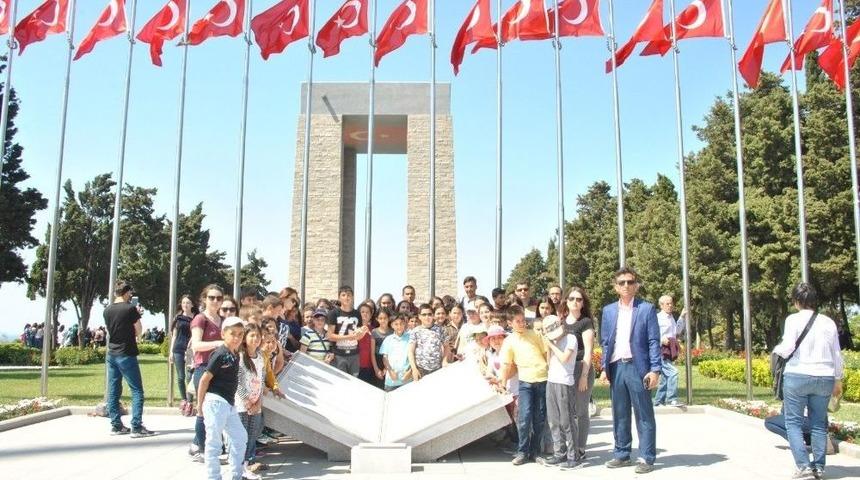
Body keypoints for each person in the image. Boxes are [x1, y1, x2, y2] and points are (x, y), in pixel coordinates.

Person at [772, 282, 844, 480]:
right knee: (819, 423)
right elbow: (836, 353)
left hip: (797, 375)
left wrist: (775, 351)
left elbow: (787, 347)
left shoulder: (792, 320)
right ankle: (819, 467)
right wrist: (838, 378)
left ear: (796, 301)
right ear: (814, 301)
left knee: (793, 422)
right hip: (825, 376)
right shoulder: (828, 322)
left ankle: (803, 467)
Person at [599, 267, 661, 474]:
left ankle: (646, 457)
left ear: (636, 285)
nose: (626, 285)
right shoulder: (608, 311)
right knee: (620, 413)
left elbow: (653, 341)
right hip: (616, 367)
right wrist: (603, 368)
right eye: (622, 282)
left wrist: (655, 370)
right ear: (616, 287)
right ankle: (622, 454)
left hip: (638, 367)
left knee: (644, 413)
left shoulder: (647, 309)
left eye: (630, 282)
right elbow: (606, 342)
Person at [196, 316, 254, 480]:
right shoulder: (220, 353)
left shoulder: (235, 354)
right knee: (214, 443)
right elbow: (204, 379)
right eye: (233, 334)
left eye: (240, 334)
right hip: (216, 402)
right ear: (223, 334)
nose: (237, 338)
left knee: (240, 438)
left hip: (229, 404)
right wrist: (199, 406)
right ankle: (214, 477)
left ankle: (236, 474)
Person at [499, 305, 548, 466]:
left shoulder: (535, 334)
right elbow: (506, 365)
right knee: (524, 417)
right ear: (510, 323)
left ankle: (535, 452)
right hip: (525, 382)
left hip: (542, 379)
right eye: (518, 321)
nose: (522, 324)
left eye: (523, 320)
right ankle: (522, 451)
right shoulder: (509, 341)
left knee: (539, 418)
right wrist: (502, 384)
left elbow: (546, 353)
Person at [104, 280, 154, 437]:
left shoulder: (107, 310)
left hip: (112, 353)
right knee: (137, 390)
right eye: (130, 293)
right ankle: (136, 426)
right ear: (126, 293)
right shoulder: (130, 308)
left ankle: (116, 425)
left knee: (113, 390)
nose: (130, 295)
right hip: (127, 353)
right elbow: (139, 330)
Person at [188, 284, 226, 462]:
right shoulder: (200, 319)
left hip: (220, 369)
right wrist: (218, 343)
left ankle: (198, 443)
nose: (215, 301)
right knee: (203, 408)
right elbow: (196, 345)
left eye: (219, 298)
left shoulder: (223, 320)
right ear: (204, 299)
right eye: (212, 297)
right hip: (203, 367)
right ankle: (200, 447)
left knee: (217, 409)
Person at [539, 314, 580, 468]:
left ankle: (573, 456)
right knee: (554, 421)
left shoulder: (571, 338)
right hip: (552, 380)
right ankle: (559, 453)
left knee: (567, 421)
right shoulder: (554, 340)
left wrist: (551, 345)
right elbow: (549, 362)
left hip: (564, 382)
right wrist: (549, 345)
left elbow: (565, 358)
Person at [560, 286, 596, 460]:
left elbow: (589, 351)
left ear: (583, 303)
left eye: (579, 299)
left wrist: (583, 376)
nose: (575, 302)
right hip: (563, 371)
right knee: (566, 411)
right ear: (566, 301)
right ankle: (569, 446)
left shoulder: (586, 322)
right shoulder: (561, 322)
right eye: (572, 298)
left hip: (582, 368)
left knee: (581, 411)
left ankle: (580, 447)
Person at [236, 323, 265, 480]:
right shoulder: (240, 357)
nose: (255, 339)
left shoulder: (260, 357)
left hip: (256, 404)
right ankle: (238, 467)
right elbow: (238, 381)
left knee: (252, 436)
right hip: (242, 404)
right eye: (252, 335)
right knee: (241, 436)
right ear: (245, 338)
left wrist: (258, 401)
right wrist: (246, 400)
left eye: (258, 336)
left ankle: (246, 466)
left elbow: (261, 379)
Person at [654, 295, 685, 407]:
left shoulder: (671, 317)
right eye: (667, 303)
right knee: (673, 372)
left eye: (671, 303)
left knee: (666, 377)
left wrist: (681, 317)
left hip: (669, 350)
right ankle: (671, 399)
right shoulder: (657, 318)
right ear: (661, 305)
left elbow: (676, 331)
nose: (670, 305)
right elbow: (653, 333)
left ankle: (658, 401)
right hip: (660, 350)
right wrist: (661, 340)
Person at [326, 285, 365, 376]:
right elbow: (330, 336)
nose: (346, 297)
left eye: (349, 295)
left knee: (354, 382)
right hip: (339, 355)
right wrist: (349, 337)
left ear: (352, 297)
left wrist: (363, 332)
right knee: (341, 383)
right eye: (343, 295)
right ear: (339, 297)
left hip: (354, 355)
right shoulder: (333, 313)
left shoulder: (357, 313)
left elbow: (358, 336)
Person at [169, 295, 196, 415]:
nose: (185, 305)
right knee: (180, 377)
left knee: (190, 376)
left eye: (188, 303)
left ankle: (190, 401)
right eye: (184, 302)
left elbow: (196, 335)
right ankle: (184, 399)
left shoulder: (196, 318)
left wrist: (191, 347)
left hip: (191, 349)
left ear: (192, 305)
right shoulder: (178, 318)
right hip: (178, 349)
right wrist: (171, 351)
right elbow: (174, 335)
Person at [408, 304, 449, 380]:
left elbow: (446, 346)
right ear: (419, 316)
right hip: (421, 370)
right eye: (424, 314)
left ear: (433, 315)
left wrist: (444, 360)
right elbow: (410, 351)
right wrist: (414, 369)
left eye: (429, 314)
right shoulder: (415, 331)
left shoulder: (441, 330)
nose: (427, 317)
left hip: (437, 369)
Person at [380, 313, 412, 391]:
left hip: (407, 379)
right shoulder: (388, 339)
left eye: (401, 323)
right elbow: (385, 358)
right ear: (392, 325)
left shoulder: (411, 337)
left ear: (405, 324)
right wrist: (390, 372)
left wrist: (410, 371)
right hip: (391, 380)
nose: (399, 326)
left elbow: (414, 355)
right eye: (396, 324)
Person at [371, 307, 393, 388]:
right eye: (380, 318)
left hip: (390, 361)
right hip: (377, 361)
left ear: (389, 318)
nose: (383, 320)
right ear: (377, 319)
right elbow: (372, 353)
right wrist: (376, 369)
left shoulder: (392, 332)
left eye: (385, 318)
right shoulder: (374, 332)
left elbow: (393, 351)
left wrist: (386, 368)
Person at [357, 303, 378, 385]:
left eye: (367, 312)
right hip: (356, 366)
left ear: (371, 314)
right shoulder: (353, 328)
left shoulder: (374, 330)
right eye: (362, 312)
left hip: (370, 367)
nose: (365, 314)